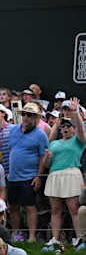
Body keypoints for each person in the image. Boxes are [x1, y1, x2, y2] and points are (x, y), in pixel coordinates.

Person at [2, 102, 48, 242]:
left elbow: (43, 156)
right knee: (13, 206)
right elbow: (11, 150)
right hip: (13, 177)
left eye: (30, 115)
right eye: (25, 114)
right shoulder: (14, 130)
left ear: (36, 118)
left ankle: (32, 236)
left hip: (29, 176)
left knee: (30, 206)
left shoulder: (41, 135)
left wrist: (38, 176)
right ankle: (16, 233)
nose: (26, 117)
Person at [43, 98, 85, 247]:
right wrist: (47, 158)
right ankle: (55, 239)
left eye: (69, 126)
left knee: (74, 209)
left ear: (73, 128)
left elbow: (81, 129)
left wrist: (75, 113)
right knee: (55, 210)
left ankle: (80, 238)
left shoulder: (79, 141)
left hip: (71, 174)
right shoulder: (53, 143)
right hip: (54, 175)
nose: (66, 128)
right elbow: (47, 164)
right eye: (64, 126)